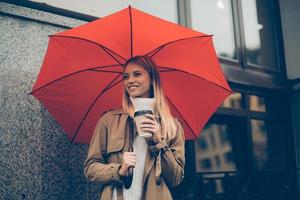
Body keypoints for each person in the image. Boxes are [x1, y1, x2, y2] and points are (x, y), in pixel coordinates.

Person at [84, 55, 185, 200]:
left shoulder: (172, 125)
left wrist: (158, 142)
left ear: (152, 79)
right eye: (126, 76)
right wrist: (119, 170)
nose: (130, 81)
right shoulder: (108, 120)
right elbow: (90, 168)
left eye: (137, 74)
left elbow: (176, 178)